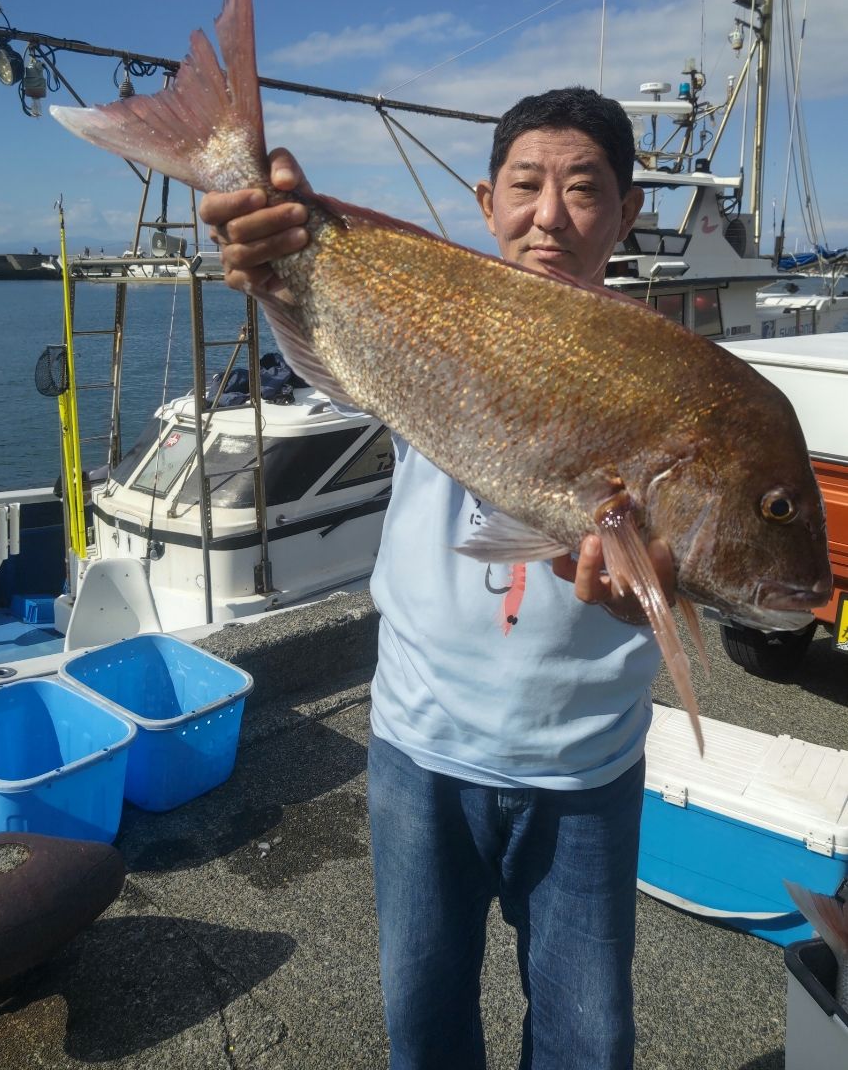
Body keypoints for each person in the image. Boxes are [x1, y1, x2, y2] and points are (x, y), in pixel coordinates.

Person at [200, 87, 674, 1070]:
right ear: (485, 200)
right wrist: (277, 267)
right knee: (422, 1025)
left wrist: (663, 593)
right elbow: (335, 363)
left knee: (591, 1039)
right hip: (420, 745)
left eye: (584, 190)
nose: (550, 214)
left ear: (627, 213)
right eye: (526, 185)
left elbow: (681, 554)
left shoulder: (666, 371)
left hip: (584, 768)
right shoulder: (445, 312)